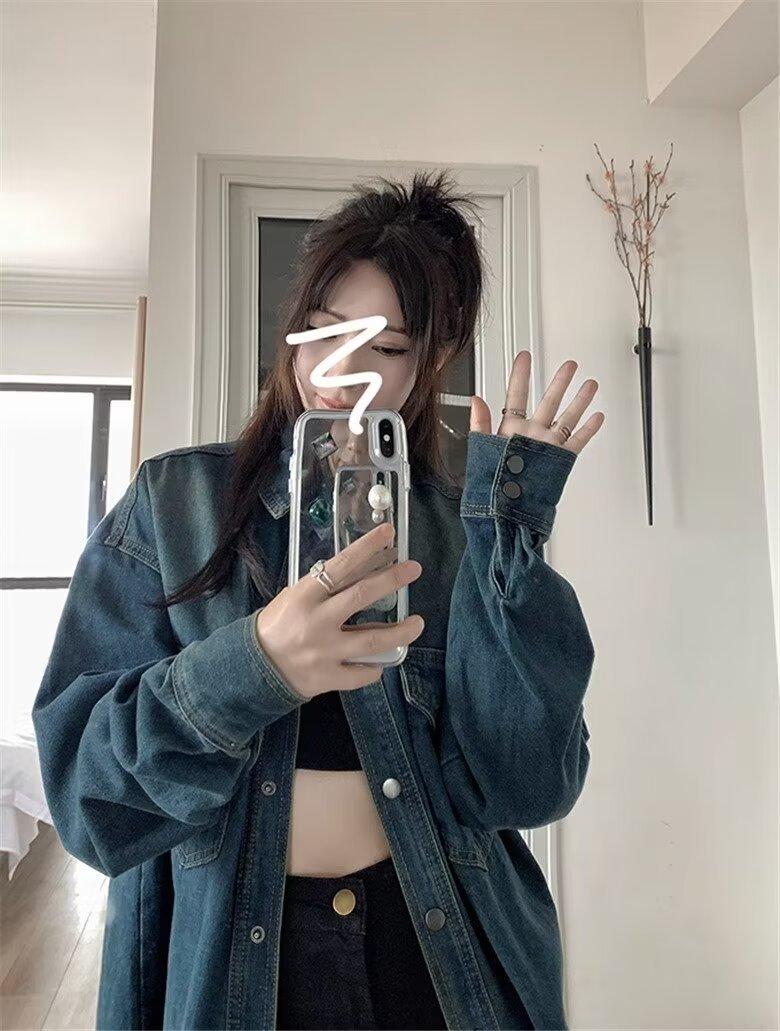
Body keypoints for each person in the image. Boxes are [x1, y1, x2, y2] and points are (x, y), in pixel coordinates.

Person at [32, 169, 603, 1031]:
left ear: (428, 362)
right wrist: (256, 664)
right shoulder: (174, 506)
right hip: (235, 966)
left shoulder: (459, 531)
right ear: (293, 330)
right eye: (328, 331)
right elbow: (87, 798)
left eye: (388, 346)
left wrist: (508, 536)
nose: (345, 370)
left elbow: (522, 788)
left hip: (437, 955)